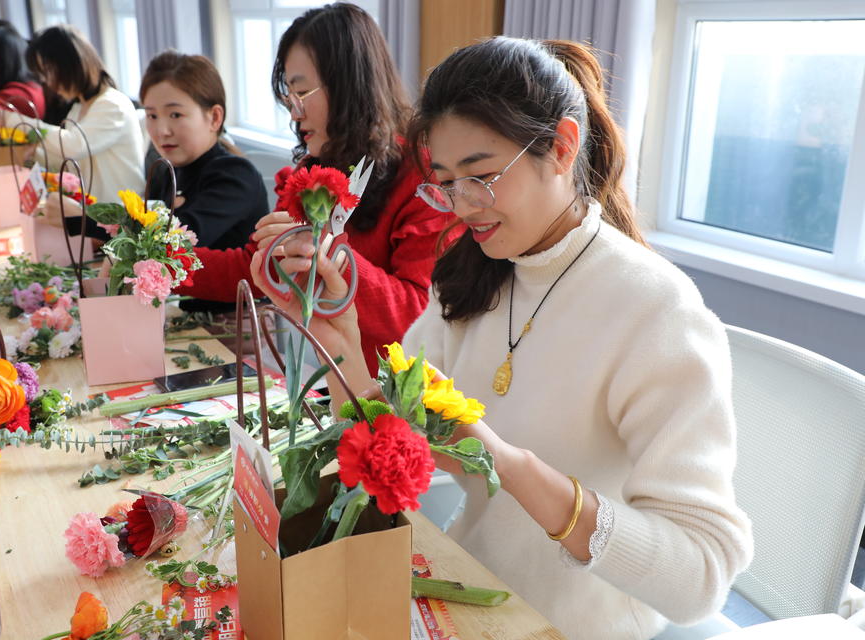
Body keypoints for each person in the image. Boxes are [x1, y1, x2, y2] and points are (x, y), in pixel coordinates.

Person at [252, 37, 753, 640]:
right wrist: (338, 339)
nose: (462, 207)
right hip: (464, 587)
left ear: (563, 148)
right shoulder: (476, 272)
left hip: (571, 623)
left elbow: (701, 576)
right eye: (445, 183)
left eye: (482, 177)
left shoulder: (655, 311)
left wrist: (509, 465)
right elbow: (392, 441)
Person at [176, 2, 455, 373]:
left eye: (302, 93)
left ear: (349, 86)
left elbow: (415, 315)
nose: (294, 113)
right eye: (289, 97)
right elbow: (257, 267)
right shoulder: (314, 170)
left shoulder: (422, 176)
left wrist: (323, 249)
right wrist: (165, 266)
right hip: (333, 377)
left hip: (399, 392)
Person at [0, 25, 144, 236]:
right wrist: (33, 153)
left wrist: (9, 119)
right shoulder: (79, 108)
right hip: (93, 220)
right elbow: (66, 163)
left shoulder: (112, 104)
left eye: (47, 71)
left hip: (120, 226)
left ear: (70, 65)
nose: (47, 81)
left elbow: (73, 145)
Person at [140, 50, 267, 251]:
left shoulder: (236, 175)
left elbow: (175, 241)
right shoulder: (166, 172)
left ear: (215, 117)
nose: (162, 131)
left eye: (175, 114)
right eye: (152, 116)